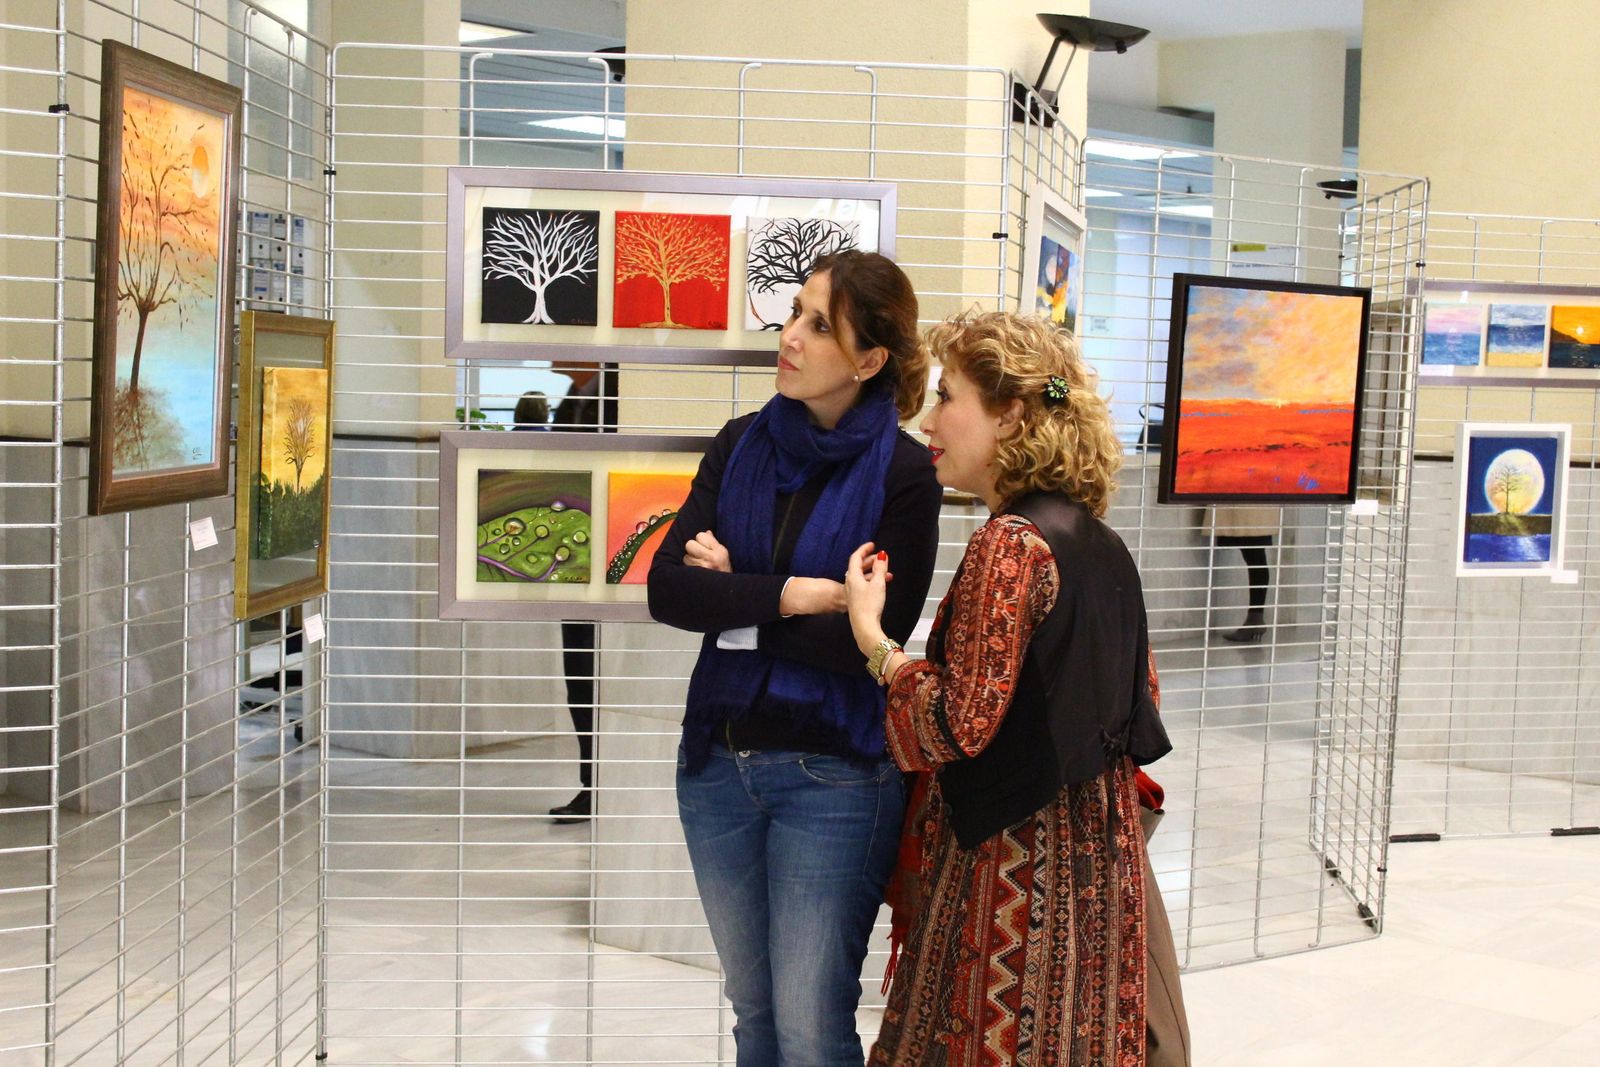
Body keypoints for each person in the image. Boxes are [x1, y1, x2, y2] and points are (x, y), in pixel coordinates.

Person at [844, 311, 1173, 1065]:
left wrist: (877, 644)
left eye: (950, 395)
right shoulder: (1102, 542)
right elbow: (1135, 699)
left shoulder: (1011, 543)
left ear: (1011, 414)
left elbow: (956, 726)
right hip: (1099, 872)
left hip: (1011, 879)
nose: (931, 418)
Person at [648, 250, 943, 1065]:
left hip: (838, 776)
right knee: (754, 1012)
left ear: (869, 359)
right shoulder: (739, 444)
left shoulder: (906, 476)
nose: (791, 336)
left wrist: (737, 593)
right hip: (716, 762)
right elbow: (670, 592)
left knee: (811, 1026)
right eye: (795, 313)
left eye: (820, 325)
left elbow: (868, 649)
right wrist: (796, 594)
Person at [547, 364, 617, 822]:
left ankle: (598, 786)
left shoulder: (610, 391)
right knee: (579, 670)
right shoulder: (579, 392)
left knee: (591, 670)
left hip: (602, 551)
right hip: (574, 553)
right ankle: (591, 785)